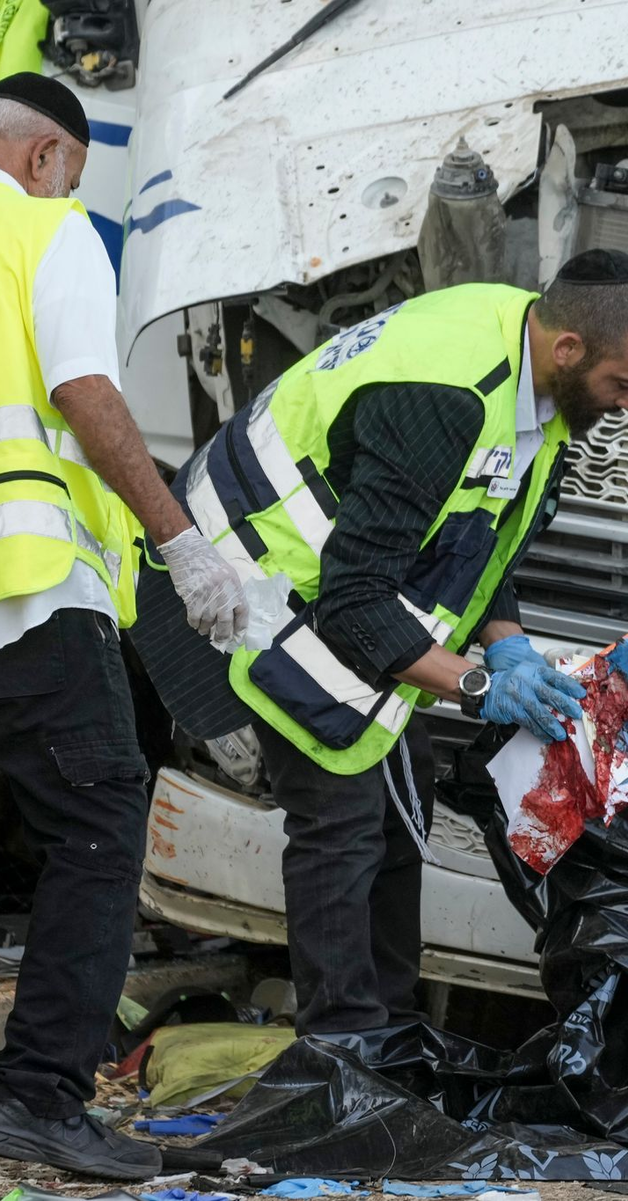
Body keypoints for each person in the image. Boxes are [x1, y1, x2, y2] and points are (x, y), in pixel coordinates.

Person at [131, 249, 628, 1042]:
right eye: (623, 383)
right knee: (341, 815)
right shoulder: (445, 396)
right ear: (568, 349)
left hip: (329, 581)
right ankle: (344, 1049)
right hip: (242, 577)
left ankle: (390, 1031)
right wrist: (478, 686)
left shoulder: (533, 377)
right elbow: (353, 599)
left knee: (401, 797)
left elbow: (481, 535)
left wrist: (510, 645)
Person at [0, 73, 248, 1178]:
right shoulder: (43, 226)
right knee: (98, 816)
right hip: (28, 581)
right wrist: (179, 540)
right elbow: (84, 389)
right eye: (75, 174)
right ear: (45, 156)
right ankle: (38, 1095)